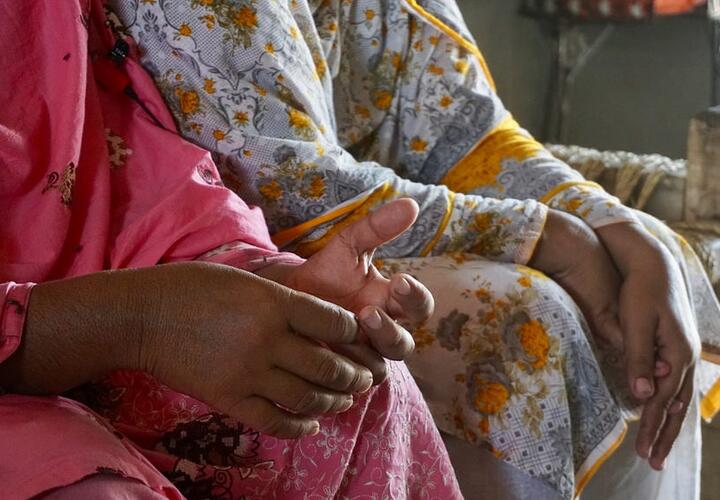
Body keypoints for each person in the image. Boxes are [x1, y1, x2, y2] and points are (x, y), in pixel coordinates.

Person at [107, 0, 720, 498]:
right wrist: (546, 237)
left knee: (637, 278)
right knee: (520, 315)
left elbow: (468, 136)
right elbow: (277, 184)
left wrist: (617, 228)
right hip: (181, 268)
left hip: (346, 235)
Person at [0, 1, 462, 498]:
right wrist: (141, 320)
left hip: (107, 274)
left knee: (342, 379)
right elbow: (290, 172)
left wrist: (264, 278)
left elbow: (121, 168)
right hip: (41, 348)